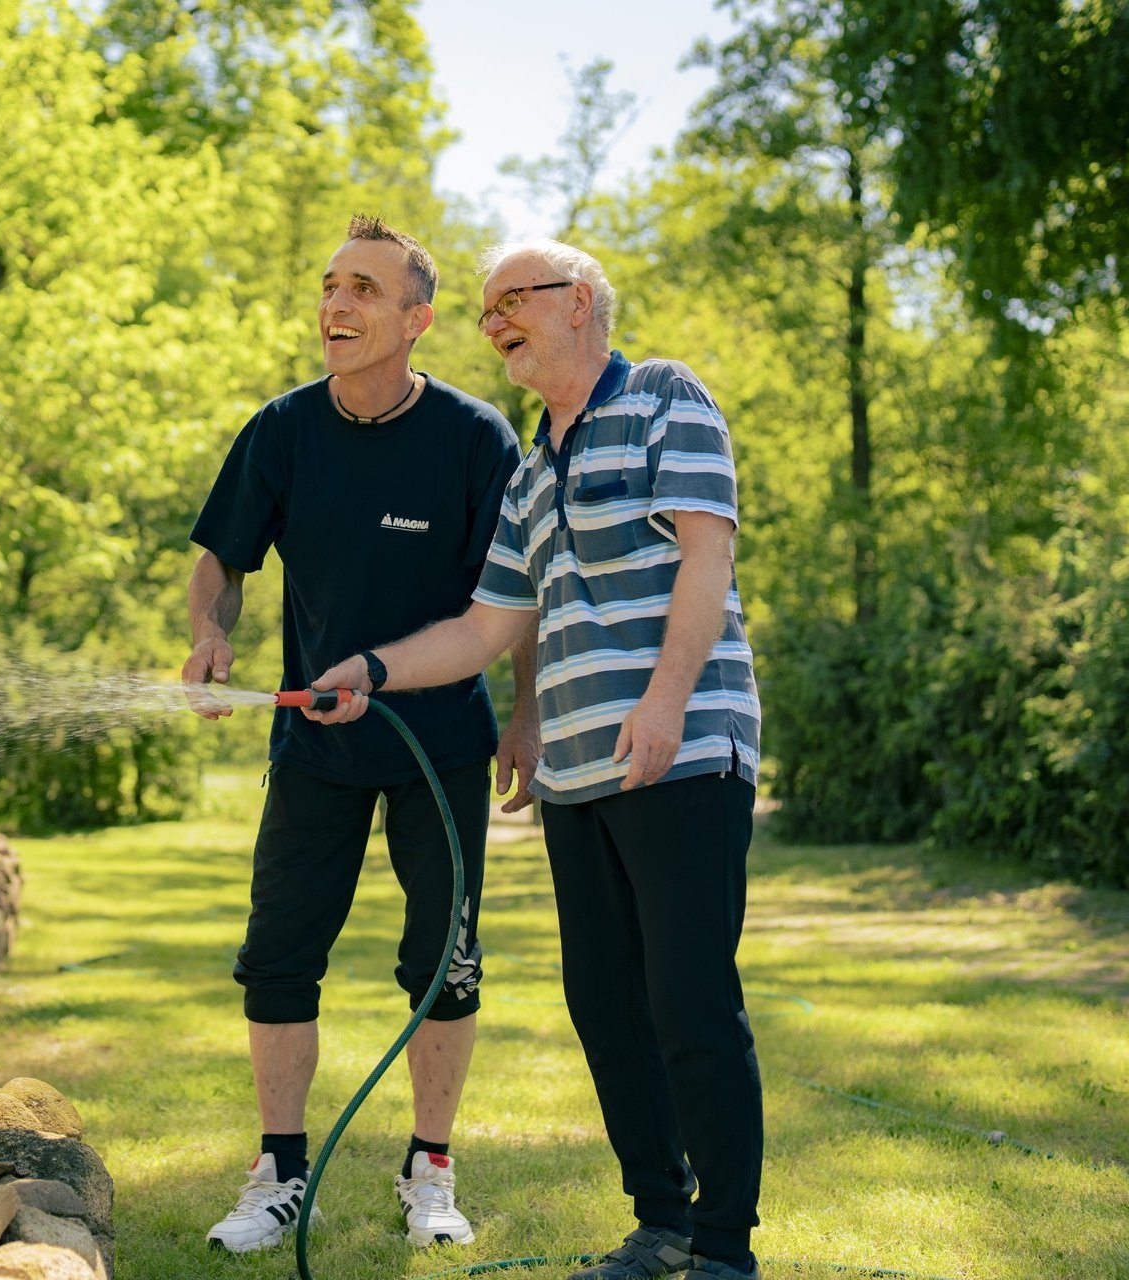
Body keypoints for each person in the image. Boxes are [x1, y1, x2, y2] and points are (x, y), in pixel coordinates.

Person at [309, 238, 764, 1280]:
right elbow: (481, 628)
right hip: (575, 772)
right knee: (605, 1002)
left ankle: (726, 1250)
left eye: (516, 298)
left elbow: (707, 555)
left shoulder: (663, 398)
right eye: (484, 309)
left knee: (690, 998)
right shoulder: (533, 464)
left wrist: (660, 704)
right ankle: (662, 1223)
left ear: (583, 303)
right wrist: (372, 667)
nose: (496, 319)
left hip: (682, 750)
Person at [182, 214, 537, 1254]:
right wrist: (208, 632)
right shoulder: (282, 428)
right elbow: (223, 560)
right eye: (331, 286)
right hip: (315, 745)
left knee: (446, 959)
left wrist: (525, 710)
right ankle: (280, 1170)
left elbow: (512, 601)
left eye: (365, 290)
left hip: (444, 745)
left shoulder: (477, 439)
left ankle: (430, 1164)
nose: (336, 304)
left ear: (418, 319)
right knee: (278, 957)